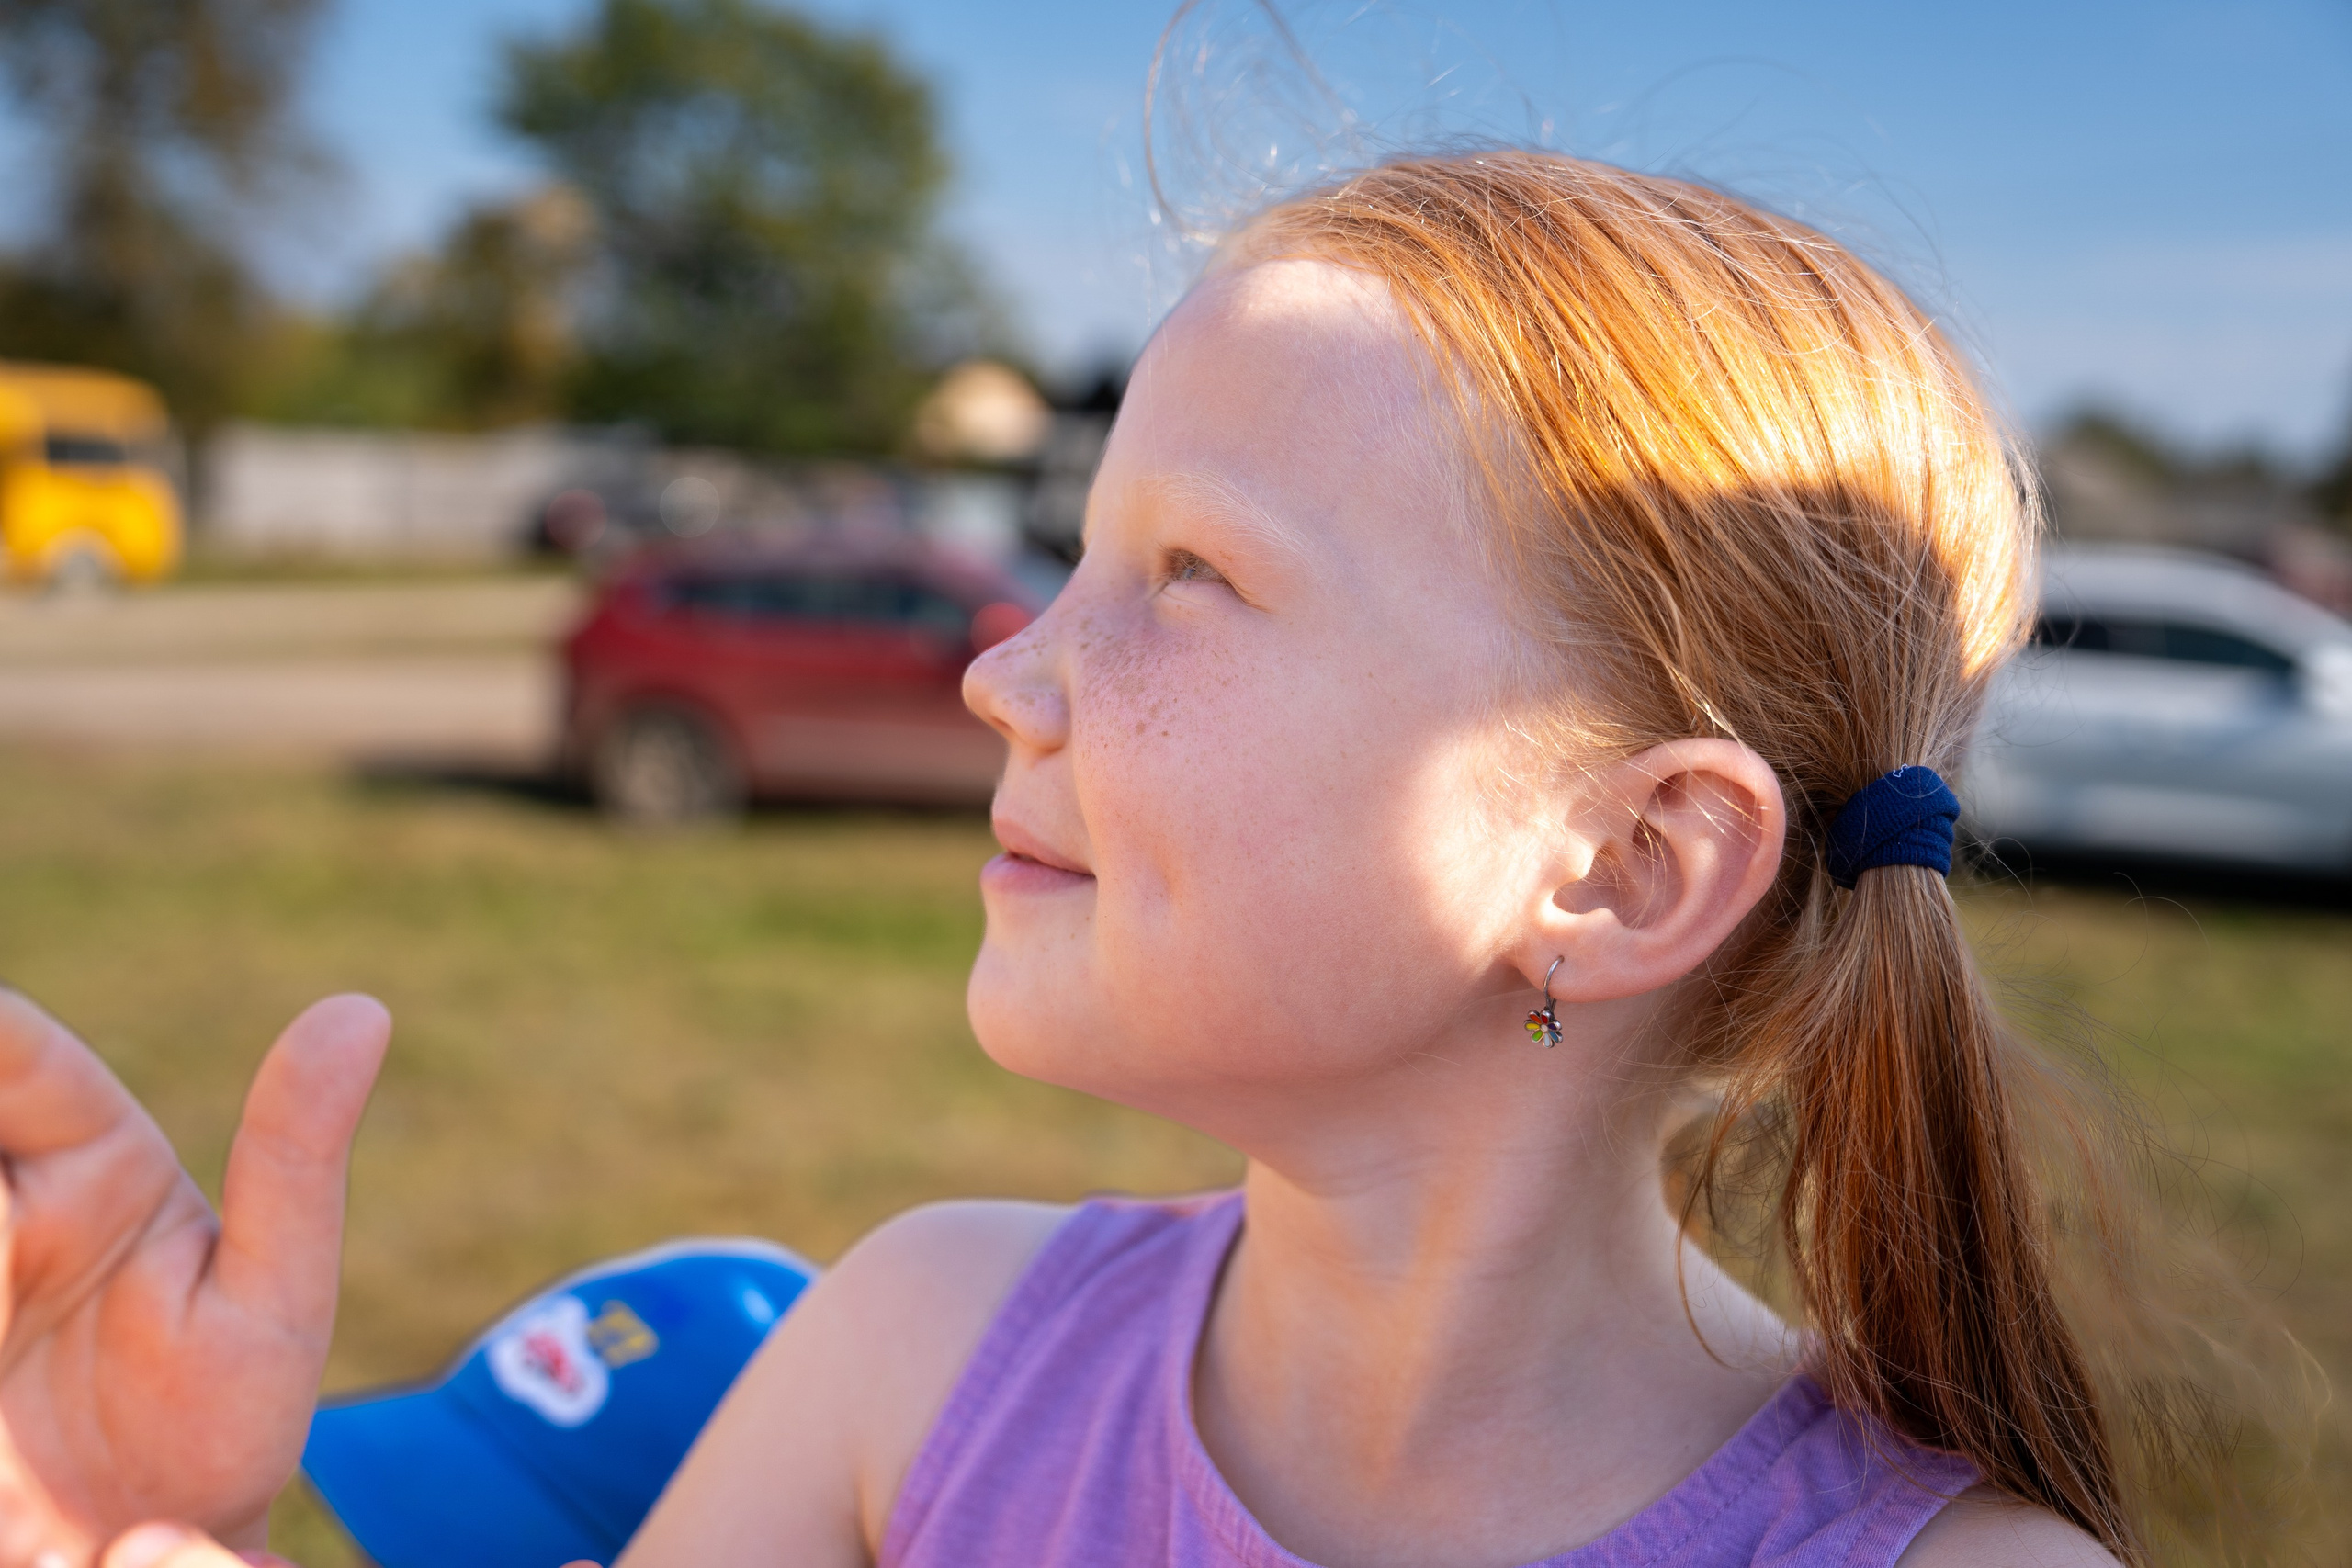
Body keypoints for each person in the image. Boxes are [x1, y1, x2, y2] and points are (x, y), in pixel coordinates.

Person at [0, 152, 2177, 1567]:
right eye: (1067, 555)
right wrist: (130, 1524)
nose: (1006, 673)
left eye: (1189, 578)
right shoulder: (916, 1356)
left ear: (1615, 863)